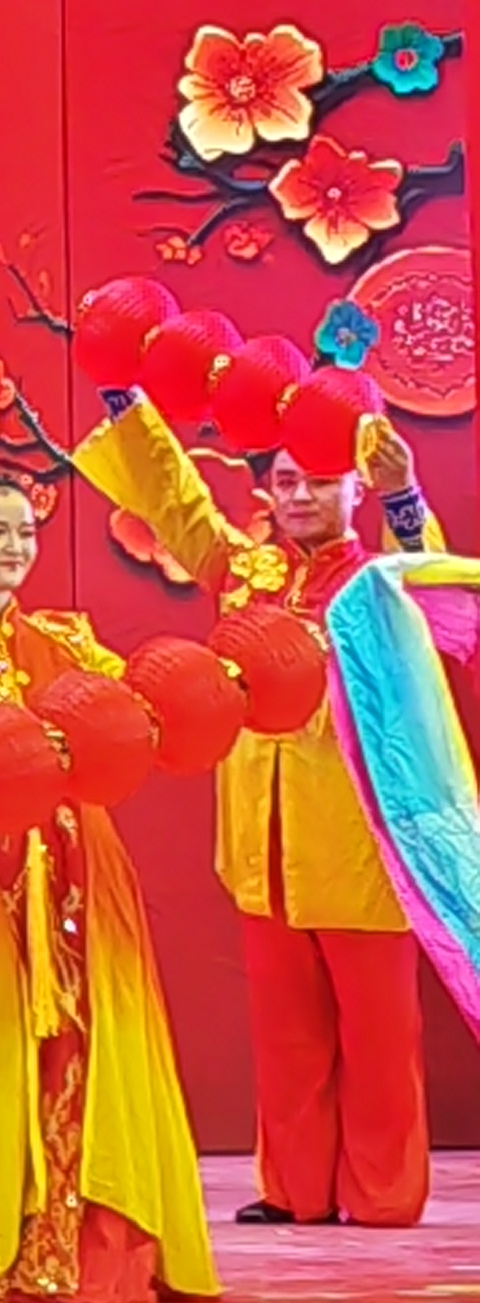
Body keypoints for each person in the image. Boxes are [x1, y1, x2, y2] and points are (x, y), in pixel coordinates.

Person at [72, 387, 440, 1229]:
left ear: (354, 488)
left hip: (360, 840)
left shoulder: (378, 580)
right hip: (261, 840)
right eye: (285, 480)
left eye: (320, 480)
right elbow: (177, 501)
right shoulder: (249, 574)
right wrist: (127, 401)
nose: (300, 495)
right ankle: (294, 1188)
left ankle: (383, 1194)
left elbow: (430, 583)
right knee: (285, 1032)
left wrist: (405, 498)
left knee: (380, 1034)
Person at [0, 475, 216, 1303]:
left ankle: (99, 1249)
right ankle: (5, 1244)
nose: (16, 547)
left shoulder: (69, 639)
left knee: (94, 1037)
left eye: (26, 531)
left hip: (84, 864)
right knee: (3, 1035)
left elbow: (136, 711)